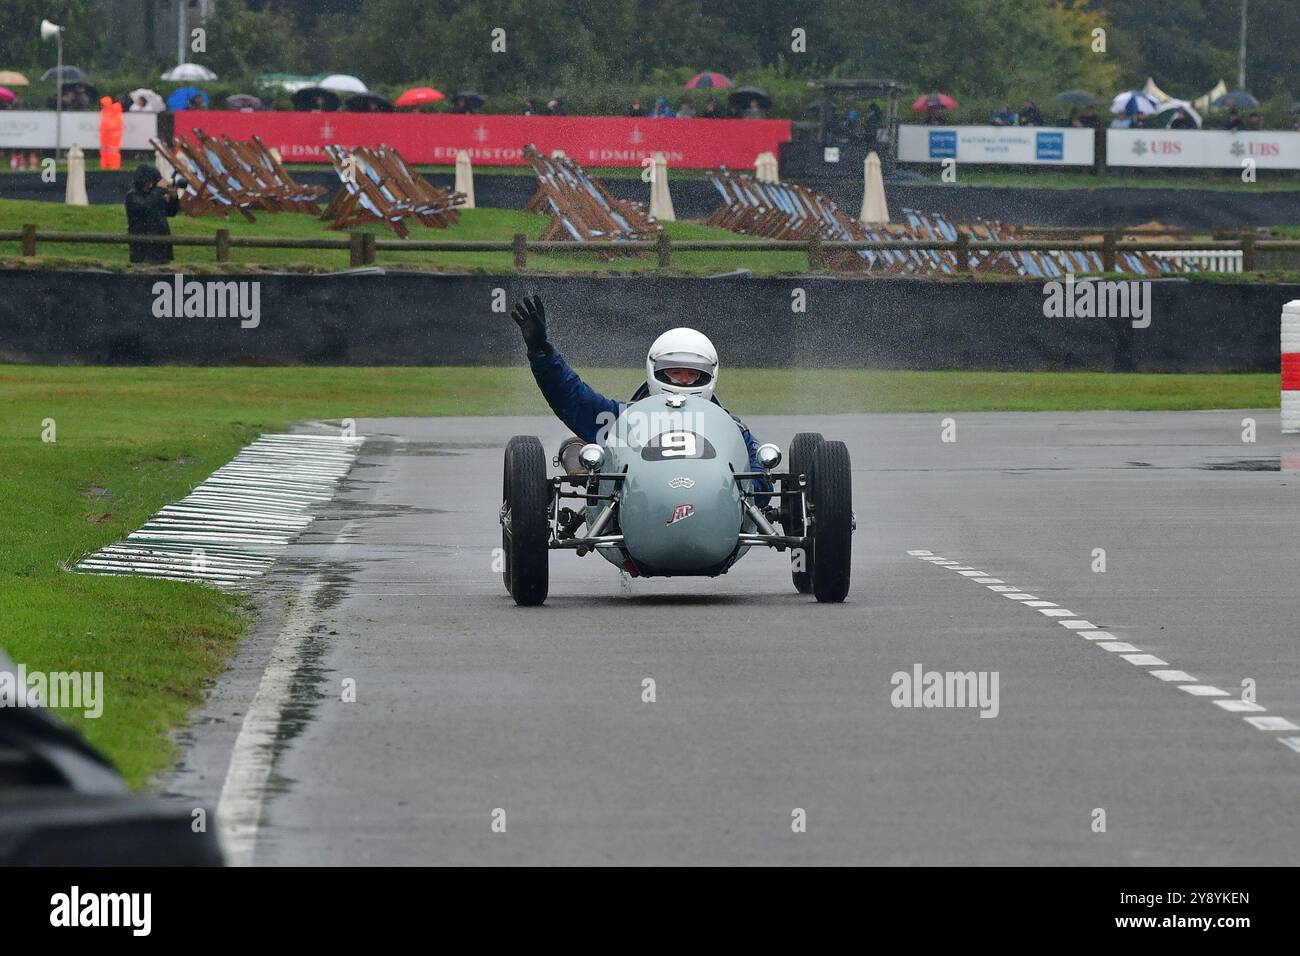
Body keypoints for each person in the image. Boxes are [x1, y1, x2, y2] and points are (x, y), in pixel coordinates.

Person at [506, 295, 771, 488]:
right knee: (578, 452)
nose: (684, 380)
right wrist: (541, 351)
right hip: (636, 511)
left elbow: (761, 486)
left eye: (693, 374)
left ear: (709, 376)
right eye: (675, 372)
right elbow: (572, 398)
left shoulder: (731, 428)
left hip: (715, 514)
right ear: (656, 371)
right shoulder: (624, 419)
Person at [125, 163, 180, 265]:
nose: (152, 184)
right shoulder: (132, 196)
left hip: (161, 247)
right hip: (143, 248)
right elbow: (146, 206)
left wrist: (173, 198)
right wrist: (158, 190)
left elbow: (171, 212)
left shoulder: (154, 195)